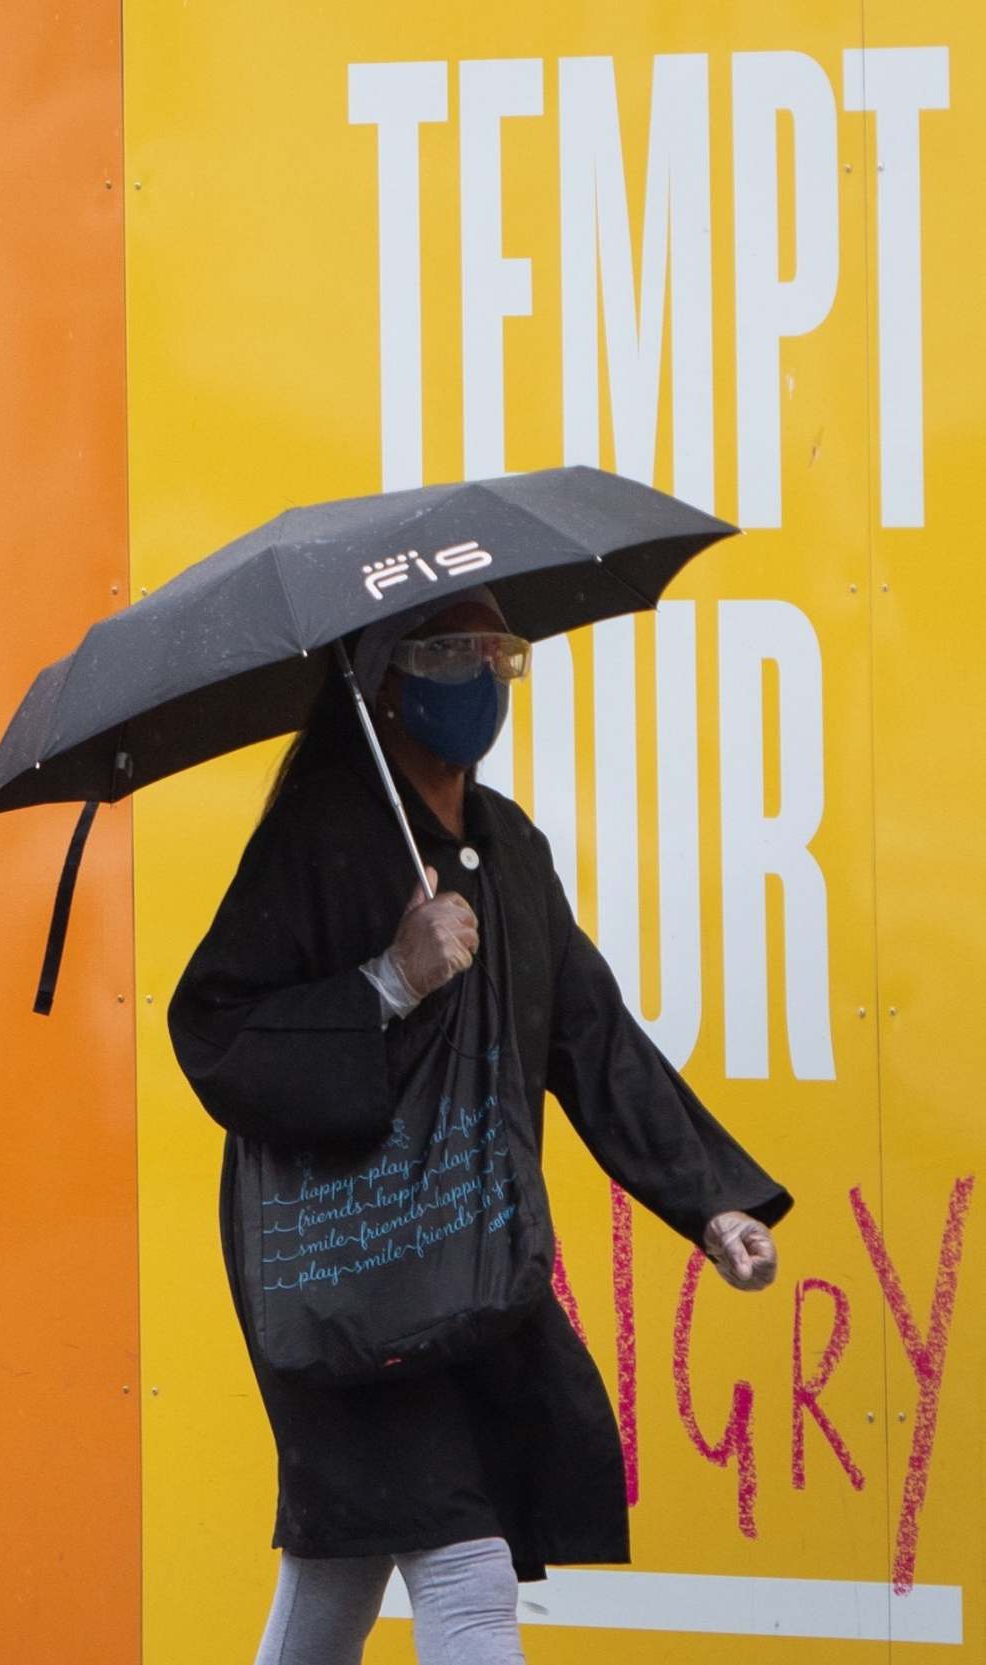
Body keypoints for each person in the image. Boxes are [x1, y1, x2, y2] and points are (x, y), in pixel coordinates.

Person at [166, 590, 792, 1665]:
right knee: (466, 1565)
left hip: (466, 1264)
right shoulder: (321, 836)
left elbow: (592, 1039)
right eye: (453, 651)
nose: (485, 677)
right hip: (347, 1284)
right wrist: (385, 981)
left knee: (345, 1558)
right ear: (386, 682)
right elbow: (212, 1029)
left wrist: (712, 1202)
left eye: (500, 653)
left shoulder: (509, 850)